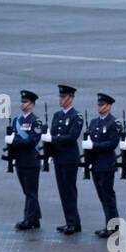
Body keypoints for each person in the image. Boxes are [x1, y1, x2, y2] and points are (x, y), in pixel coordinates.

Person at [43, 83, 83, 234]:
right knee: (63, 191)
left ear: (71, 98)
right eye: (60, 96)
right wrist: (49, 153)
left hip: (69, 158)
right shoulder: (57, 115)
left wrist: (52, 138)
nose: (61, 99)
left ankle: (73, 223)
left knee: (70, 190)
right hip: (59, 158)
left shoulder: (76, 116)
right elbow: (53, 133)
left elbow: (72, 137)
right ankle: (70, 221)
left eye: (64, 97)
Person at [84, 92, 122, 237]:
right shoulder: (94, 122)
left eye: (103, 105)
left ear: (109, 106)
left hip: (106, 164)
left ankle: (113, 226)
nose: (100, 107)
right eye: (99, 104)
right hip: (95, 164)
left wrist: (93, 145)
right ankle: (109, 224)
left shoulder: (113, 123)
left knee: (108, 195)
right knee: (102, 196)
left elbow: (112, 144)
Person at [7, 89, 43, 231]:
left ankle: (28, 220)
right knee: (27, 191)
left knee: (31, 192)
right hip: (20, 161)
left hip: (31, 161)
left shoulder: (36, 121)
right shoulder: (17, 120)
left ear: (32, 104)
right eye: (22, 101)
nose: (23, 104)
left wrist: (14, 140)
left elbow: (32, 141)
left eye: (25, 102)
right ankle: (35, 218)